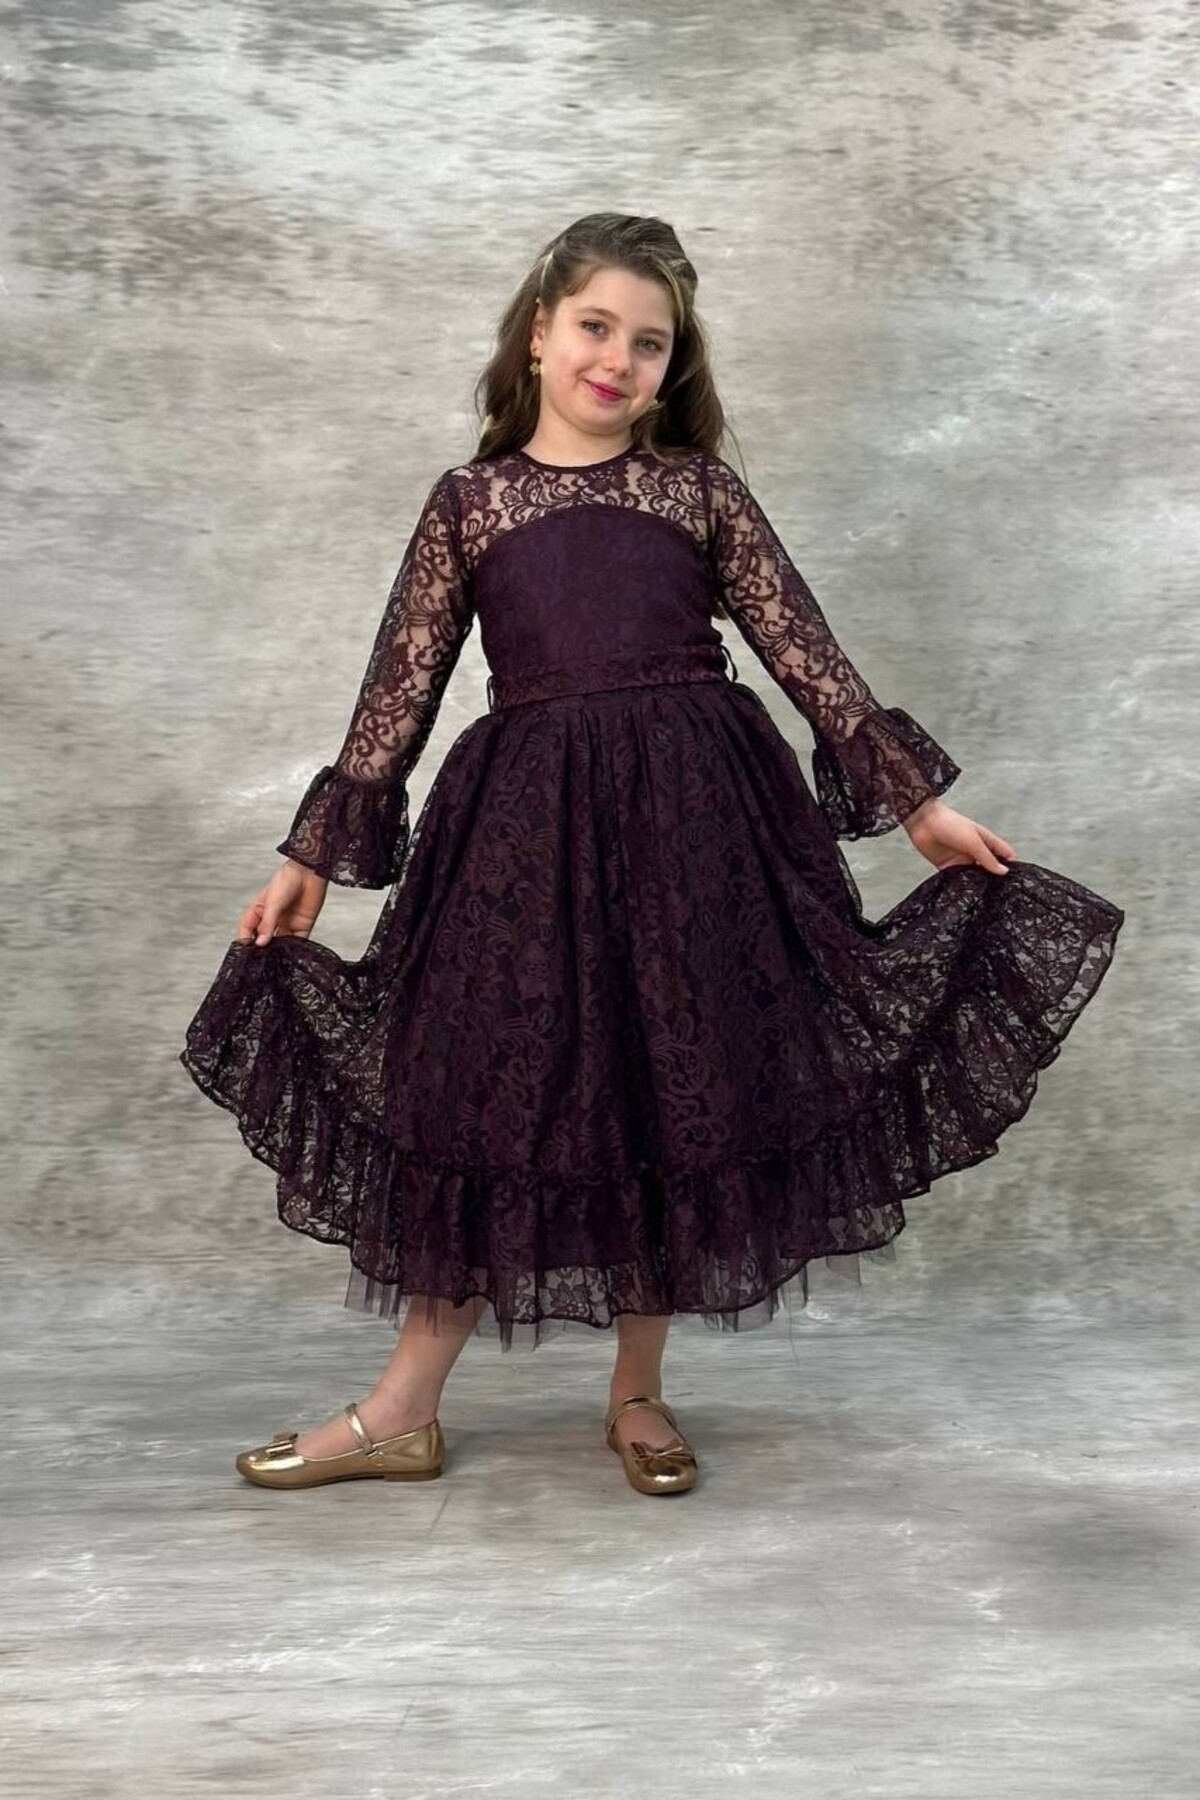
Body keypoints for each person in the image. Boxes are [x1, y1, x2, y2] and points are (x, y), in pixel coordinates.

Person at [180, 211, 1125, 1498]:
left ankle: (637, 1391)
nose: (617, 360)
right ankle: (403, 1408)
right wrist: (314, 856)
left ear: (673, 365)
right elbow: (397, 688)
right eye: (595, 327)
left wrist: (918, 811)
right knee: (489, 1086)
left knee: (679, 1079)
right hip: (527, 830)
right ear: (539, 332)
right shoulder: (472, 503)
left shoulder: (695, 491)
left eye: (649, 342)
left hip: (699, 820)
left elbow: (808, 655)